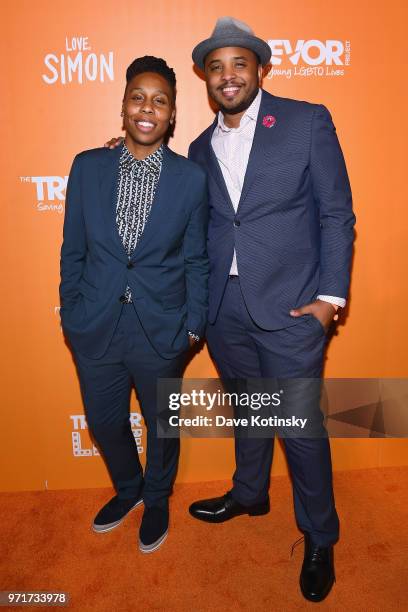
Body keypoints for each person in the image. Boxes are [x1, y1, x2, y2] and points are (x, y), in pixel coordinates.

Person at [186, 18, 355, 602]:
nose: (227, 75)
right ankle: (250, 493)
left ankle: (320, 536)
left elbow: (337, 214)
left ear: (260, 69)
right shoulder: (199, 147)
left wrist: (331, 300)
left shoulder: (307, 121)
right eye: (216, 67)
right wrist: (120, 158)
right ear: (206, 79)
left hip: (291, 307)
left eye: (238, 64)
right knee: (249, 411)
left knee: (300, 428)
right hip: (224, 309)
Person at [60, 56, 209, 554]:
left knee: (162, 424)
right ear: (123, 106)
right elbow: (73, 249)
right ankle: (129, 489)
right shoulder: (87, 167)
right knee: (104, 421)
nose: (148, 108)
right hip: (96, 323)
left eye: (160, 100)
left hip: (160, 327)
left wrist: (193, 326)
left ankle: (158, 496)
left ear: (171, 114)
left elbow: (197, 259)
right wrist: (71, 310)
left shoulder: (190, 179)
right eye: (138, 97)